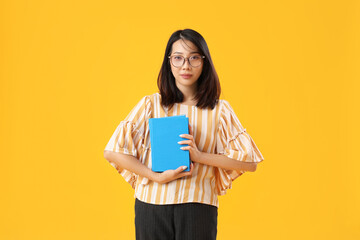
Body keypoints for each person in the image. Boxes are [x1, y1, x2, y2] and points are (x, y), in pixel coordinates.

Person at [103, 28, 265, 240]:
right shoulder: (150, 105)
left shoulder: (219, 110)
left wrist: (199, 156)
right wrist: (155, 177)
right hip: (151, 204)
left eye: (193, 58)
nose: (186, 65)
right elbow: (113, 152)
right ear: (169, 62)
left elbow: (249, 162)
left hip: (198, 206)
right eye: (178, 58)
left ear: (204, 61)